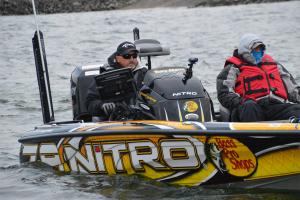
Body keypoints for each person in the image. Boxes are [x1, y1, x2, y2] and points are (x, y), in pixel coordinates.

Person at [217, 33, 300, 122]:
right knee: (250, 107)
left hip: (274, 106)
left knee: (296, 109)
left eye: (260, 49)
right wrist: (241, 101)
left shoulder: (275, 66)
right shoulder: (233, 68)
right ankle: (251, 134)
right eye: (255, 49)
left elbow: (293, 90)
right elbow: (224, 94)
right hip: (248, 107)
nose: (258, 52)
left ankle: (289, 134)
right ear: (246, 50)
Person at [86, 41, 147, 120]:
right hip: (114, 121)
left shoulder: (144, 73)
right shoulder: (106, 76)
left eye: (134, 56)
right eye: (127, 56)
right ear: (118, 58)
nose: (131, 59)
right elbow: (90, 102)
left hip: (142, 118)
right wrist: (102, 105)